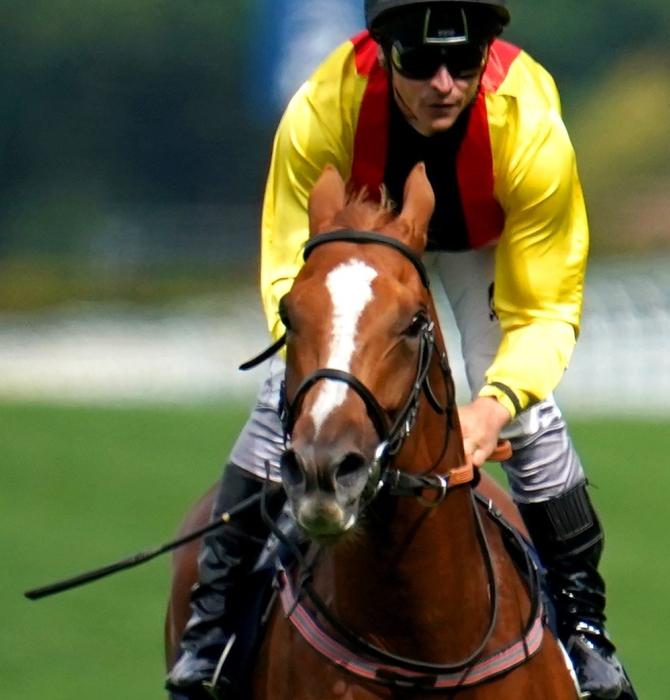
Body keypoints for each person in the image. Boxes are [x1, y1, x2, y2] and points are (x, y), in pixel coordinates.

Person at [165, 1, 638, 698]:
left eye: (463, 61)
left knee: (531, 422)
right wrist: (323, 372)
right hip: (361, 238)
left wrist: (495, 406)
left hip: (481, 241)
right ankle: (210, 632)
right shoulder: (323, 109)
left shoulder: (531, 128)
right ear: (384, 52)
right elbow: (289, 276)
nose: (444, 83)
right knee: (286, 406)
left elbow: (545, 310)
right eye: (421, 62)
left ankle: (586, 634)